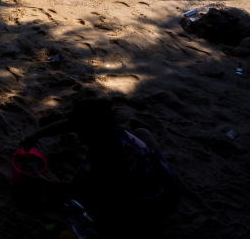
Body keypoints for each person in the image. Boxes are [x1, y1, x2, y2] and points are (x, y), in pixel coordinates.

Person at [19, 97, 181, 237]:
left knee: (91, 207)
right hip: (167, 181)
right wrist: (36, 135)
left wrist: (40, 182)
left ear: (89, 132)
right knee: (142, 132)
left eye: (80, 131)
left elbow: (77, 190)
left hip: (151, 205)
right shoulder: (113, 130)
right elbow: (69, 125)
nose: (77, 134)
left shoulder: (106, 158)